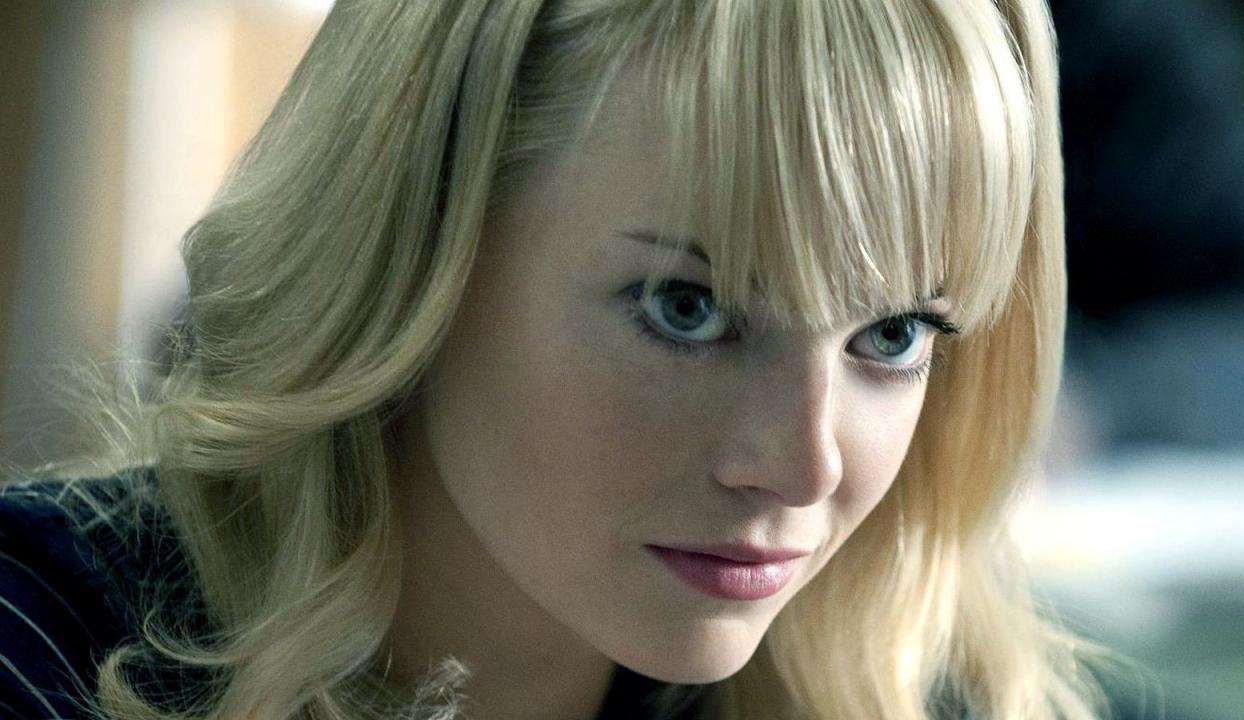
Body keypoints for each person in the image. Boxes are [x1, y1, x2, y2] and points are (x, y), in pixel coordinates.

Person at [0, 0, 1124, 718]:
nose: (802, 467)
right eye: (687, 309)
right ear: (415, 249)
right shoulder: (32, 648)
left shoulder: (904, 688)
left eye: (892, 335)